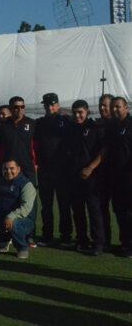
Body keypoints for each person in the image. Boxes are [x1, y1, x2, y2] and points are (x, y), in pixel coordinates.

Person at [66, 100, 105, 255]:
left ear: (87, 112)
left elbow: (103, 151)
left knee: (94, 210)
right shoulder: (71, 129)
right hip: (74, 176)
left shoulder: (95, 128)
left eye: (80, 112)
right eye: (75, 112)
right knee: (78, 210)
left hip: (92, 177)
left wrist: (90, 168)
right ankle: (82, 240)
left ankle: (99, 244)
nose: (77, 115)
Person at [34, 93, 72, 248]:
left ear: (58, 105)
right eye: (47, 104)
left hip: (62, 171)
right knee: (47, 206)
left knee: (64, 205)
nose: (49, 107)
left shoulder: (66, 121)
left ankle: (66, 237)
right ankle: (47, 235)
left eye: (52, 104)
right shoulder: (39, 123)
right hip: (45, 170)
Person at [104, 97, 132, 257]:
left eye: (118, 107)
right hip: (115, 176)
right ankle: (124, 243)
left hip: (128, 176)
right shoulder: (112, 127)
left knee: (130, 212)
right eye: (113, 107)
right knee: (119, 211)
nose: (115, 110)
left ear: (126, 108)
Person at [0, 96, 36, 183]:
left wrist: (36, 163)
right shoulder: (2, 126)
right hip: (9, 168)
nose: (20, 109)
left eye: (22, 107)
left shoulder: (32, 123)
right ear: (10, 108)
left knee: (29, 194)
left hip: (27, 167)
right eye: (16, 107)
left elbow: (37, 145)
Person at [95, 94, 114, 247]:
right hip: (101, 175)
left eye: (105, 105)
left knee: (123, 210)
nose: (102, 108)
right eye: (100, 105)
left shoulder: (120, 124)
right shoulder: (97, 125)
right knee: (101, 209)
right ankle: (104, 240)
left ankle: (127, 242)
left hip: (119, 174)